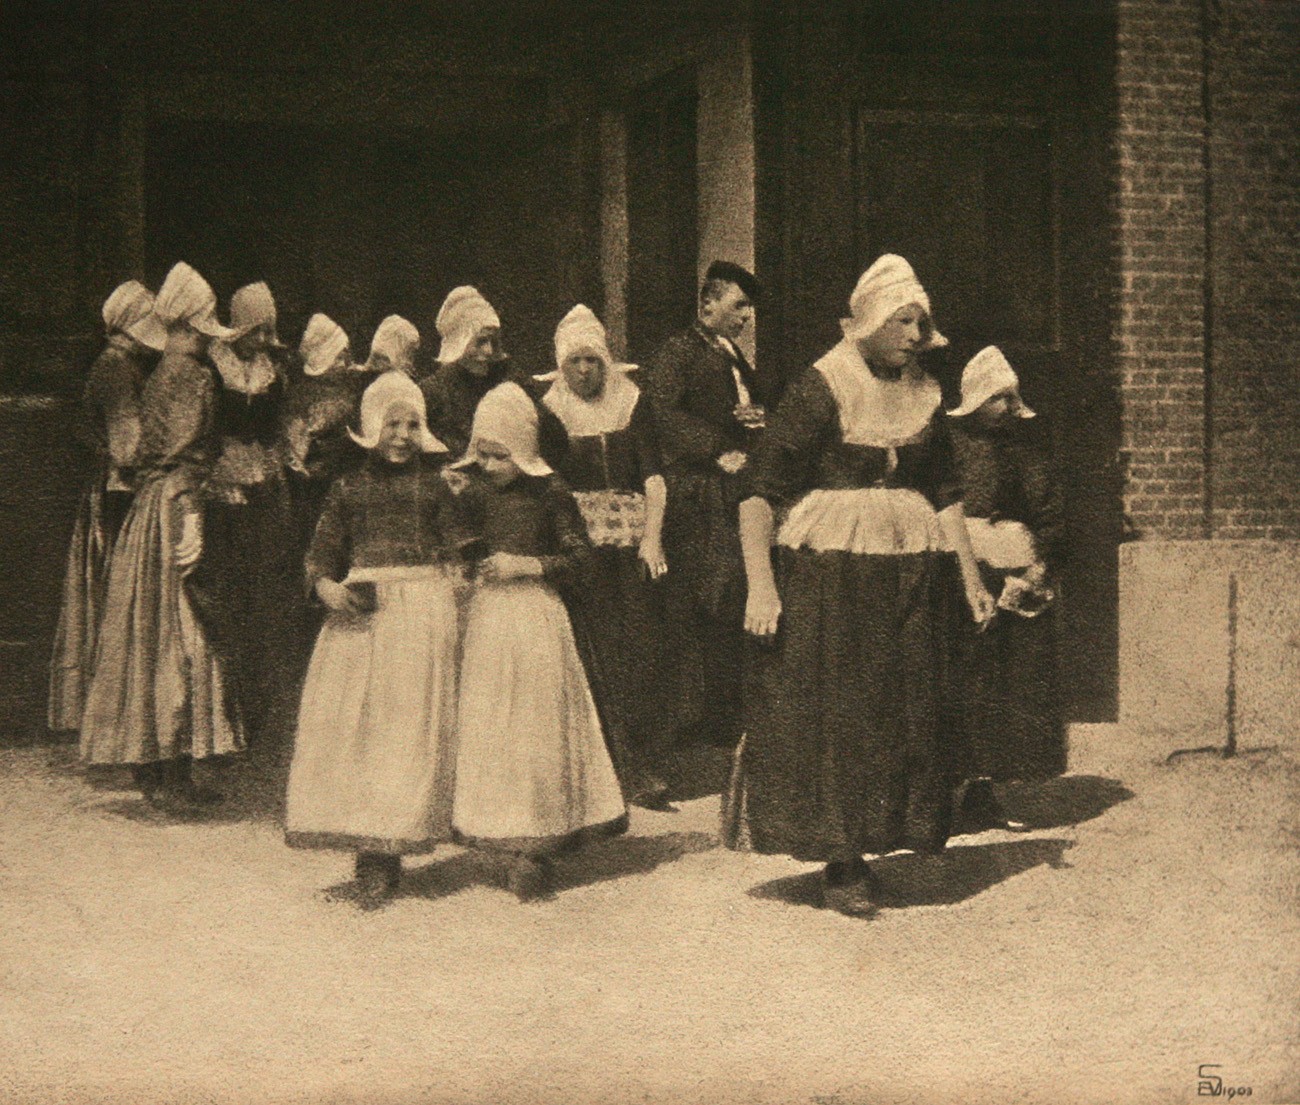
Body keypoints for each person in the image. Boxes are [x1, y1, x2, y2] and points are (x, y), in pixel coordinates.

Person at [730, 255, 995, 915]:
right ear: (871, 320)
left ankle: (888, 837)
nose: (913, 333)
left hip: (908, 569)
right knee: (838, 709)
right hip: (831, 572)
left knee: (897, 703)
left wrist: (969, 577)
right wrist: (761, 587)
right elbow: (758, 493)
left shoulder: (926, 392)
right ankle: (841, 860)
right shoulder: (824, 386)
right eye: (902, 319)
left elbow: (945, 492)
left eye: (920, 322)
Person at [284, 370, 464, 907]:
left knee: (408, 729)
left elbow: (457, 547)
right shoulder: (348, 487)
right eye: (392, 424)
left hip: (422, 611)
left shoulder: (435, 485)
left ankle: (401, 834)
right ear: (370, 427)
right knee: (359, 730)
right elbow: (321, 550)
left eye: (413, 425)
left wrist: (458, 587)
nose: (403, 436)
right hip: (363, 615)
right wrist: (324, 587)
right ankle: (371, 853)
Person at [449, 382, 627, 902]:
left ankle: (537, 846)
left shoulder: (550, 493)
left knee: (534, 724)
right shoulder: (475, 490)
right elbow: (458, 540)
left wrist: (525, 565)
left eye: (499, 454)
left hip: (536, 620)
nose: (487, 463)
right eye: (480, 453)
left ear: (524, 450)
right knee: (492, 723)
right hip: (487, 620)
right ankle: (498, 831)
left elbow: (582, 560)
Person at [80, 262, 245, 813]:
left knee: (152, 637)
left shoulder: (162, 372)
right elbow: (180, 459)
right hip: (173, 506)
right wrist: (193, 510)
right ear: (188, 326)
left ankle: (161, 768)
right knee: (178, 637)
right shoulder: (189, 374)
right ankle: (166, 769)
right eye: (201, 325)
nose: (204, 335)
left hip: (152, 509)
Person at [535, 305, 671, 809]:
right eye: (575, 362)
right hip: (579, 544)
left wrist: (652, 539)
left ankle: (644, 765)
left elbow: (654, 478)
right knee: (595, 651)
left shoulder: (634, 403)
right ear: (560, 365)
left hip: (632, 540)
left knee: (640, 647)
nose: (585, 371)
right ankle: (604, 770)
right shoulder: (548, 412)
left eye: (593, 361)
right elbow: (547, 483)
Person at [642, 260, 766, 756]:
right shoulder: (677, 353)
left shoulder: (730, 353)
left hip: (730, 493)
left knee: (731, 598)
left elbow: (741, 408)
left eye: (750, 309)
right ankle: (684, 731)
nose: (746, 317)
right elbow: (661, 414)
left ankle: (722, 725)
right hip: (694, 495)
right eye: (738, 306)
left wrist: (760, 417)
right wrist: (717, 446)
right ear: (707, 305)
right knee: (700, 603)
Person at [946, 346, 1067, 831]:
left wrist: (1041, 562)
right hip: (958, 568)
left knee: (1002, 683)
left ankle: (985, 794)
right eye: (998, 399)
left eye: (1013, 400)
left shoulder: (1026, 455)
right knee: (959, 680)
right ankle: (941, 797)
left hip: (1012, 568)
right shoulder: (946, 447)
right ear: (976, 400)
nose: (1008, 410)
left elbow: (1051, 512)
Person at [48, 280, 165, 732]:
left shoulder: (119, 365)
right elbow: (127, 448)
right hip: (119, 493)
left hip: (117, 488)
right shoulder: (116, 370)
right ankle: (116, 715)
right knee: (118, 599)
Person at [187, 281, 300, 747]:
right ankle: (223, 718)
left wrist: (281, 463)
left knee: (265, 602)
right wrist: (216, 479)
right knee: (225, 602)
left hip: (265, 492)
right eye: (254, 330)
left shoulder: (276, 370)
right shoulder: (212, 369)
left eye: (266, 330)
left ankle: (257, 716)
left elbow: (282, 429)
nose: (260, 340)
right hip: (221, 492)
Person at [418, 285, 566, 463]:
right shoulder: (433, 390)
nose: (488, 351)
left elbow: (551, 433)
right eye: (480, 342)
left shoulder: (510, 376)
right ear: (459, 341)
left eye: (492, 341)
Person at [282, 313, 367, 550]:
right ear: (323, 360)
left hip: (347, 480)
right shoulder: (302, 397)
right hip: (316, 489)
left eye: (346, 355)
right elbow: (294, 452)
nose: (345, 363)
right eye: (338, 358)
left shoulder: (349, 389)